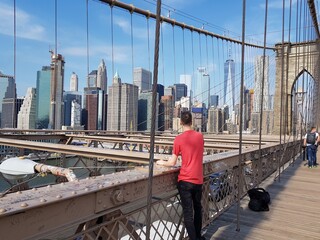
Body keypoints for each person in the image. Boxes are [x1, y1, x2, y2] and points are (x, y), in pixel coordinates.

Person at [156, 111, 205, 240]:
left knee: (188, 213)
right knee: (198, 209)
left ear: (181, 122)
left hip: (185, 180)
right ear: (192, 121)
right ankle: (198, 237)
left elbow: (172, 162)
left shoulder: (178, 139)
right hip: (198, 180)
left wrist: (161, 162)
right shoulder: (200, 136)